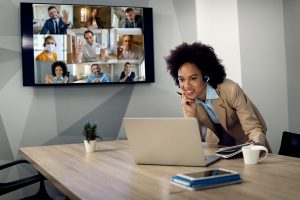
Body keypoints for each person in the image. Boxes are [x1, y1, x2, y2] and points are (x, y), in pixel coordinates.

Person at [165, 42, 271, 152]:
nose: (186, 86)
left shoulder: (231, 90)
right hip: (220, 148)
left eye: (193, 78)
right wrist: (190, 115)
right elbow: (191, 141)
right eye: (181, 79)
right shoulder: (188, 99)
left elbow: (253, 128)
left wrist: (256, 144)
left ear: (206, 76)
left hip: (247, 143)